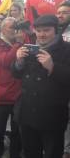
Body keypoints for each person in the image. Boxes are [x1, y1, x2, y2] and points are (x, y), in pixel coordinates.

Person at [12, 15, 70, 158]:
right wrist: (18, 62)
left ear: (55, 31)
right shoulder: (29, 48)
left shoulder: (67, 50)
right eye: (38, 30)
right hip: (27, 114)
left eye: (46, 30)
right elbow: (16, 74)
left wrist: (53, 68)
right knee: (30, 153)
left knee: (52, 153)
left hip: (52, 115)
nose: (42, 34)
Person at [0, 17, 22, 158]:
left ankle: (15, 155)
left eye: (15, 27)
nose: (14, 30)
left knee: (17, 131)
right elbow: (5, 60)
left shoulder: (19, 43)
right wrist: (18, 44)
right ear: (2, 29)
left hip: (19, 94)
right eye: (10, 27)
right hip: (2, 94)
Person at [57, 1, 70, 158]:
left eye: (64, 12)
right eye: (58, 12)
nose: (60, 15)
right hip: (57, 82)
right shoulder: (56, 31)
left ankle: (67, 150)